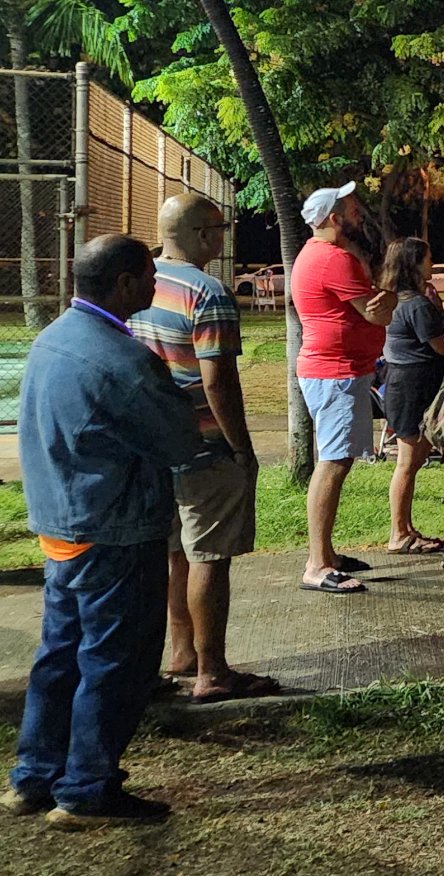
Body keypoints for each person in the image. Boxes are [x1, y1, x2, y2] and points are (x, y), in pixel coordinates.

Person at [9, 236, 200, 827]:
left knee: (60, 656)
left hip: (61, 523)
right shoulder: (123, 359)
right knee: (114, 662)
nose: (155, 286)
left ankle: (33, 779)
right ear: (122, 283)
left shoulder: (53, 338)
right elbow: (179, 443)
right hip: (113, 528)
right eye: (148, 276)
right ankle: (87, 790)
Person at [130, 194, 274, 705]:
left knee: (176, 553)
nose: (223, 236)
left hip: (154, 443)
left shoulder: (143, 283)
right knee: (210, 554)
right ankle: (212, 671)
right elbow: (219, 380)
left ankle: (182, 653)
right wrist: (241, 447)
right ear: (197, 235)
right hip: (205, 445)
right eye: (218, 228)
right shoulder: (208, 292)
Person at [291, 181, 394, 595]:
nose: (359, 215)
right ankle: (317, 564)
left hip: (333, 370)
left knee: (337, 460)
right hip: (336, 373)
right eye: (351, 210)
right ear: (334, 219)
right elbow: (376, 314)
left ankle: (326, 553)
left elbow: (374, 309)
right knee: (333, 464)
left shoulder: (314, 255)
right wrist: (385, 302)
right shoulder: (335, 260)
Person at [379, 238, 444, 555]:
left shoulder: (396, 301)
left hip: (400, 383)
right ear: (414, 263)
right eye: (428, 258)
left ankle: (405, 529)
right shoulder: (417, 306)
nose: (432, 263)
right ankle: (398, 532)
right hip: (413, 387)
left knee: (414, 460)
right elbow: (442, 346)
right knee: (407, 463)